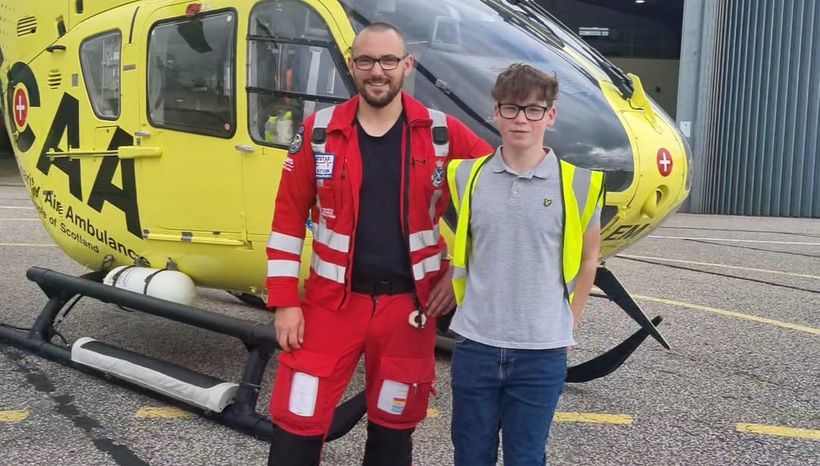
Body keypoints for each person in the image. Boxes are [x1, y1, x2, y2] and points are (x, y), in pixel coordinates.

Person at [264, 22, 492, 466]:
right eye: (366, 60)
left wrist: (459, 272)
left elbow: (499, 198)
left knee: (393, 430)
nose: (377, 71)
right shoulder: (319, 132)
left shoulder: (443, 133)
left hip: (409, 310)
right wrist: (285, 302)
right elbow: (287, 221)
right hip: (330, 306)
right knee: (297, 420)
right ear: (352, 66)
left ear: (407, 65)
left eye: (389, 60)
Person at [446, 64, 604, 465]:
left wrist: (570, 321)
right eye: (511, 108)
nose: (521, 119)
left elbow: (590, 259)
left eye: (534, 109)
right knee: (470, 456)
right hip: (476, 344)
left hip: (541, 350)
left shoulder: (580, 184)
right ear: (495, 113)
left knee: (526, 457)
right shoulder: (465, 176)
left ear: (550, 116)